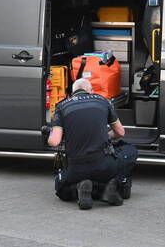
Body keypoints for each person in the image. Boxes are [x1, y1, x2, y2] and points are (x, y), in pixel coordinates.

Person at [47, 78, 137, 210]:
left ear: (72, 92)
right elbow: (120, 132)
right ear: (90, 90)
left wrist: (50, 132)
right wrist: (104, 136)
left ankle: (80, 186)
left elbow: (54, 142)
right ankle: (107, 188)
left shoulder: (61, 107)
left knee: (61, 190)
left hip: (77, 168)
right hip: (104, 165)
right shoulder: (102, 101)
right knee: (131, 151)